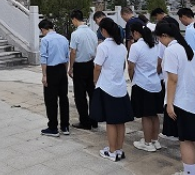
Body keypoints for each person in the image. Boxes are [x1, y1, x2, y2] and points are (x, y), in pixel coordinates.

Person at [156, 21, 195, 175]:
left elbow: (172, 79)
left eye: (159, 38)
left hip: (180, 100)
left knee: (185, 140)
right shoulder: (188, 49)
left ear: (164, 36)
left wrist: (169, 104)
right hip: (192, 99)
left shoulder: (171, 50)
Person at [90, 18, 134, 162]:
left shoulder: (103, 47)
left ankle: (112, 151)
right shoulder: (121, 47)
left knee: (111, 122)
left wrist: (95, 81)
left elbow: (97, 67)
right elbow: (122, 66)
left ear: (103, 31)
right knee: (120, 121)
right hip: (120, 87)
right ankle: (119, 149)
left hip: (107, 87)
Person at [128, 22, 164, 152]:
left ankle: (147, 143)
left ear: (136, 33)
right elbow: (160, 64)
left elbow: (131, 66)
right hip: (155, 84)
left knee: (145, 116)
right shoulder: (156, 44)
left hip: (142, 84)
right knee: (154, 115)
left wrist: (132, 79)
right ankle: (155, 140)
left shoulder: (136, 47)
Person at [39, 19, 71, 138]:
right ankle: (65, 126)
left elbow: (44, 58)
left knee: (51, 100)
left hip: (51, 70)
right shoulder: (63, 39)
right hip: (62, 69)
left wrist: (44, 75)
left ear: (43, 29)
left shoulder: (45, 40)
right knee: (63, 98)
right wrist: (66, 71)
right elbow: (67, 57)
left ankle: (53, 127)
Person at [69, 10, 99, 131]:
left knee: (80, 95)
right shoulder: (92, 33)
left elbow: (73, 51)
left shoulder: (75, 34)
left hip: (80, 66)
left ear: (74, 19)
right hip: (91, 64)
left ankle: (84, 121)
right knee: (92, 93)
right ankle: (94, 119)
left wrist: (70, 67)